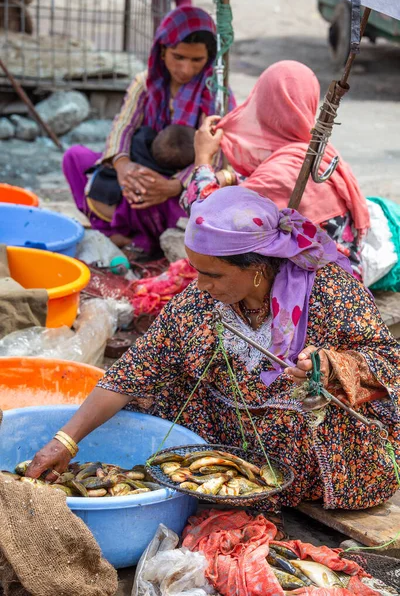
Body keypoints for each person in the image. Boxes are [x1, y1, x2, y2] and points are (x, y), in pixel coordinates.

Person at [26, 186, 399, 511]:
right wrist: (66, 441)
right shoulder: (201, 301)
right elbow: (135, 369)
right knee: (153, 391)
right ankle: (224, 471)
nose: (200, 285)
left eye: (213, 274)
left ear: (256, 268)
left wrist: (331, 366)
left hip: (306, 429)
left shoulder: (329, 290)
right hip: (229, 420)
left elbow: (388, 362)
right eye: (196, 271)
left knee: (299, 418)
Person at [63, 5, 235, 253]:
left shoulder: (217, 97)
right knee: (75, 158)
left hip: (184, 185)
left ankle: (144, 240)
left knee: (193, 205)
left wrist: (174, 186)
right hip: (142, 173)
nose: (186, 69)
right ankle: (120, 233)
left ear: (209, 57)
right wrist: (124, 167)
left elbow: (217, 157)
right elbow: (123, 127)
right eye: (178, 57)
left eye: (197, 60)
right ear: (163, 50)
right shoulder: (145, 83)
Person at [183, 61, 370, 278]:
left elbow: (208, 220)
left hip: (310, 289)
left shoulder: (285, 171)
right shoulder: (317, 153)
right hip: (341, 276)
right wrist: (228, 177)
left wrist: (203, 157)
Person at [85, 124, 196, 220]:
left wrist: (119, 160)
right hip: (116, 208)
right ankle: (128, 237)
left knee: (74, 155)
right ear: (179, 170)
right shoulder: (156, 177)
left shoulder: (141, 135)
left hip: (95, 185)